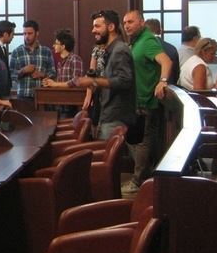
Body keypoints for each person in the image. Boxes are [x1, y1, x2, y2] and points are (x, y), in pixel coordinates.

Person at [122, 10, 174, 192]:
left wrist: (163, 81)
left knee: (142, 141)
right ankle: (144, 177)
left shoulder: (148, 40)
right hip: (136, 100)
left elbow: (166, 62)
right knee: (134, 140)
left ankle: (139, 181)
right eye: (125, 22)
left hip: (146, 101)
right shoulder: (136, 41)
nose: (127, 25)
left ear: (141, 22)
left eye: (131, 22)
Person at [71, 10, 135, 140]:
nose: (93, 30)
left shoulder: (119, 50)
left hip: (115, 116)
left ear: (111, 27)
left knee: (107, 151)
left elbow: (124, 81)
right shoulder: (110, 50)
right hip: (107, 113)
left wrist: (93, 81)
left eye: (97, 26)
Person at [8, 20, 56, 101]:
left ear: (37, 33)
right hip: (23, 96)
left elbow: (53, 73)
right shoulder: (17, 52)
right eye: (24, 34)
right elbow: (11, 75)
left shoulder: (46, 51)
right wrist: (23, 71)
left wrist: (42, 74)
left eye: (30, 33)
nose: (27, 36)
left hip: (43, 96)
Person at [144, 18, 180, 84]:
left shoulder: (143, 47)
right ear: (160, 31)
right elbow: (176, 74)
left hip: (149, 86)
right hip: (169, 86)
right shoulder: (172, 48)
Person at [0, 20, 16, 98]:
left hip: (4, 90)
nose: (13, 37)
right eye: (12, 34)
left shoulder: (3, 48)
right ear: (5, 34)